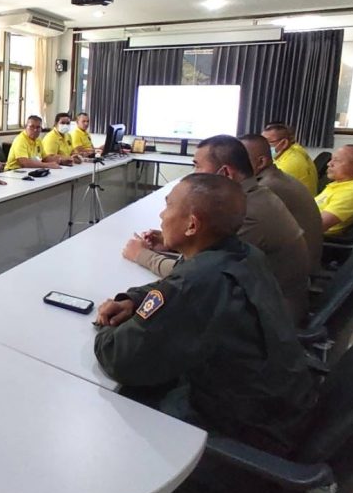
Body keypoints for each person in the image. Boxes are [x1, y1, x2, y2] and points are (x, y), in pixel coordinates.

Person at [96, 174, 316, 457]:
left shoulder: (197, 285)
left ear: (192, 225)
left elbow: (119, 358)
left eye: (169, 206)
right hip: (283, 406)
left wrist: (103, 326)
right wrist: (134, 300)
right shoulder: (246, 254)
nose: (162, 215)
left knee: (113, 407)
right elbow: (179, 280)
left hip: (246, 429)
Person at [124, 135, 310, 324]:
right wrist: (170, 242)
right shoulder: (253, 195)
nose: (193, 174)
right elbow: (210, 255)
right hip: (262, 302)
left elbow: (192, 274)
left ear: (225, 173)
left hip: (269, 319)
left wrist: (141, 255)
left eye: (197, 166)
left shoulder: (245, 213)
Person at [239, 133, 324, 270]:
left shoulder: (268, 187)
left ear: (261, 162)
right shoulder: (276, 177)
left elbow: (239, 240)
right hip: (299, 262)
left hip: (293, 271)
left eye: (239, 160)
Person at [316, 144, 353, 236]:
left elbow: (316, 225)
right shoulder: (339, 184)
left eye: (336, 160)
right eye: (331, 159)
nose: (329, 164)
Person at [262, 122, 318, 194]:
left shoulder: (290, 163)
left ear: (284, 143)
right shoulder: (287, 153)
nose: (261, 146)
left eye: (268, 142)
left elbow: (267, 189)